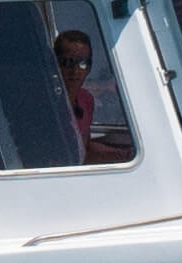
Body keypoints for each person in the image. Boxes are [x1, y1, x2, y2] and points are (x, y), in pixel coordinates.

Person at [54, 29, 130, 165]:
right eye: (67, 63)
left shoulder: (86, 100)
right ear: (54, 64)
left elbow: (85, 150)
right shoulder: (46, 104)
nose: (75, 71)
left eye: (83, 63)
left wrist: (126, 156)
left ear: (89, 68)